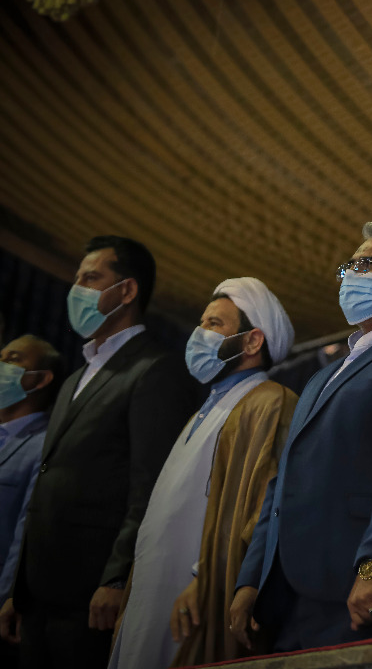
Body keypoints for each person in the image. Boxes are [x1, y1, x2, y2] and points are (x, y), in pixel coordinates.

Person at [229, 223, 372, 652]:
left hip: (352, 584)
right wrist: (251, 579)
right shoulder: (323, 375)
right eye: (349, 266)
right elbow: (282, 481)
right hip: (285, 590)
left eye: (366, 264)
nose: (350, 274)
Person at [12, 236, 200, 669]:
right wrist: (17, 590)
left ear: (127, 290)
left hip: (91, 595)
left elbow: (149, 486)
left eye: (91, 278)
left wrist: (117, 577)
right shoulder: (74, 379)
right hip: (37, 595)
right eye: (77, 278)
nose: (76, 289)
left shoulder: (154, 369)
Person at [107, 278, 298, 669]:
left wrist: (206, 580)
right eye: (201, 323)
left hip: (199, 595)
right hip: (153, 591)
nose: (200, 334)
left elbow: (261, 508)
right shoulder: (204, 410)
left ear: (252, 341)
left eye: (214, 324)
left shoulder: (267, 402)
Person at [0, 336, 63, 663]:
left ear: (41, 379)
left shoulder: (45, 446)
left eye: (13, 359)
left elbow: (26, 531)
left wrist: (7, 597)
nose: (2, 365)